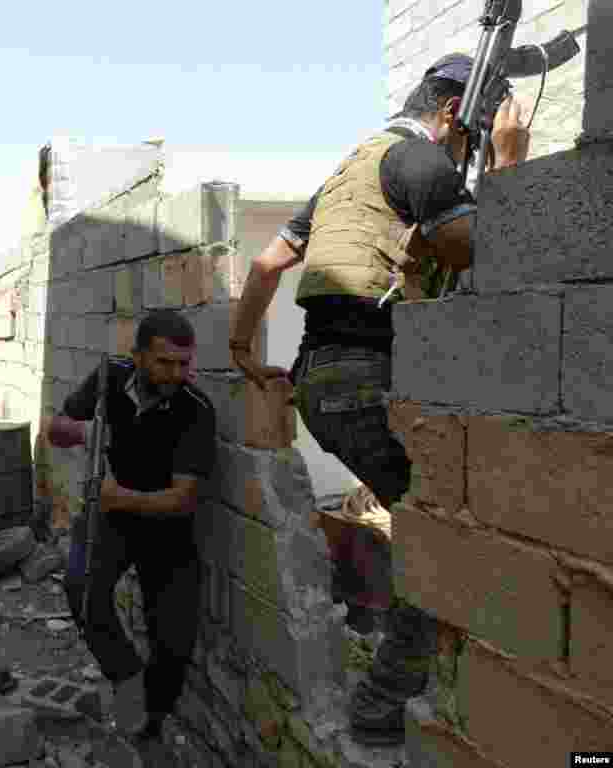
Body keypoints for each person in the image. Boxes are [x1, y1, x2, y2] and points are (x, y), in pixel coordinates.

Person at [227, 53, 532, 746]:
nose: (469, 155)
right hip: (363, 381)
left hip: (322, 383)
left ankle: (423, 675)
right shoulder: (419, 162)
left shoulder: (351, 169)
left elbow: (268, 262)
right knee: (442, 539)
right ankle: (382, 702)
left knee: (430, 523)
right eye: (473, 137)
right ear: (454, 112)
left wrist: (244, 348)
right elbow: (475, 249)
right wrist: (510, 168)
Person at [48, 310, 216, 746]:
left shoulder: (195, 410)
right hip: (114, 521)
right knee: (82, 589)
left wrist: (118, 496)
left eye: (184, 364)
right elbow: (57, 429)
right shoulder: (108, 377)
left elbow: (183, 497)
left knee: (174, 645)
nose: (177, 374)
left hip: (168, 527)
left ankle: (149, 727)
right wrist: (86, 434)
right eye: (165, 362)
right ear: (138, 356)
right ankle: (125, 676)